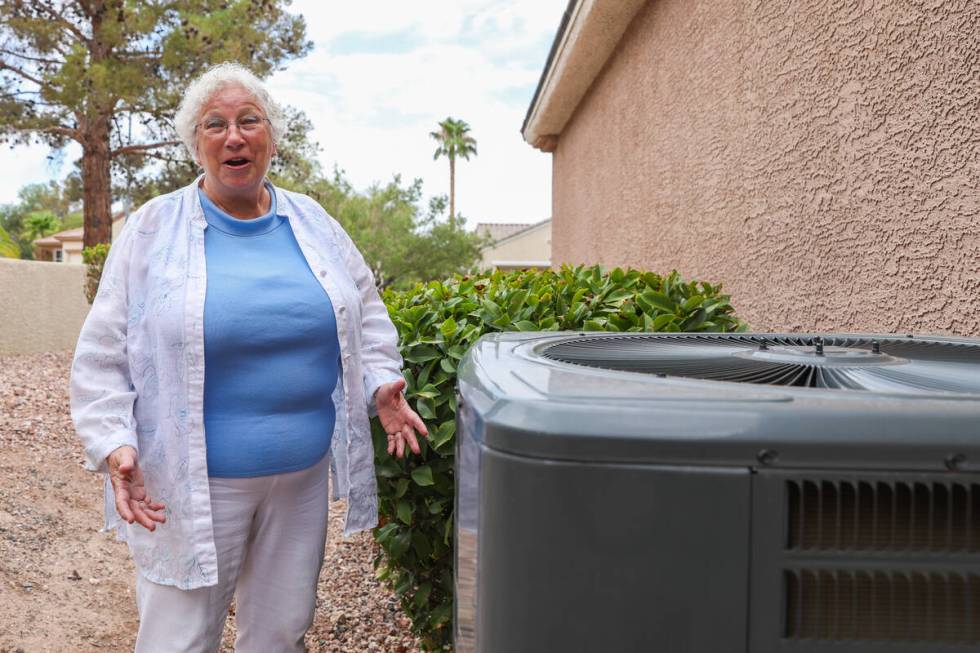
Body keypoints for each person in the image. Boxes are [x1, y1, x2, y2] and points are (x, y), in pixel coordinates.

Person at [69, 62, 427, 652]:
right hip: (192, 481)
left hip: (300, 479)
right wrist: (113, 440)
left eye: (248, 121)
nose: (234, 136)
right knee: (178, 639)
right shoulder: (153, 230)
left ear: (271, 136)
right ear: (195, 144)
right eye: (215, 124)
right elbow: (103, 348)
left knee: (281, 633)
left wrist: (381, 383)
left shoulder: (313, 222)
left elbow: (365, 309)